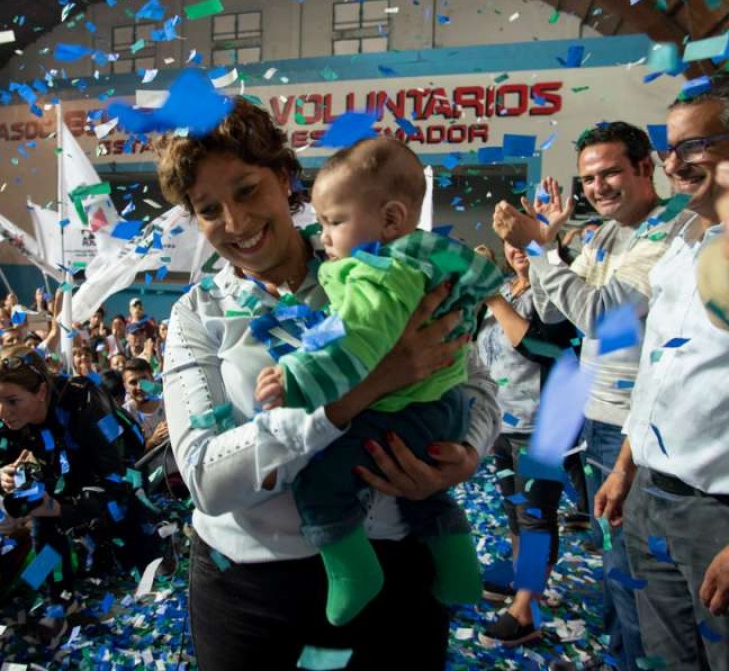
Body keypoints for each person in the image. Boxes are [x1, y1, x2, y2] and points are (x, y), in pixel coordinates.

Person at [154, 98, 500, 670]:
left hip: (398, 571)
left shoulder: (375, 262)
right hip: (252, 593)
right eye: (209, 208)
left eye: (246, 191)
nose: (235, 223)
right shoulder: (199, 314)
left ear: (285, 177)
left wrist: (466, 454)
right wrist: (354, 397)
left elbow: (475, 383)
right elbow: (207, 481)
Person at [254, 137, 501, 625]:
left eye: (334, 222)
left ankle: (354, 574)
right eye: (322, 222)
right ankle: (458, 570)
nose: (324, 236)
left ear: (390, 219)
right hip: (442, 409)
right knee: (428, 496)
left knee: (322, 486)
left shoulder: (379, 274)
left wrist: (298, 378)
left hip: (406, 409)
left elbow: (357, 342)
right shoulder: (427, 259)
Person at [492, 120, 688, 671]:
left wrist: (537, 246)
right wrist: (543, 250)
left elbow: (599, 318)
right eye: (589, 179)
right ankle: (622, 655)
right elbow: (558, 308)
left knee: (641, 576)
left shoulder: (670, 232)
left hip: (634, 427)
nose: (598, 187)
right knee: (615, 566)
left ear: (646, 168)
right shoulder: (603, 235)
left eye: (610, 173)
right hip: (594, 418)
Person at [595, 78, 729, 670]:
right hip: (651, 489)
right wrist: (627, 466)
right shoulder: (681, 237)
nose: (675, 163)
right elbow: (658, 364)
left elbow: (595, 316)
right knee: (665, 658)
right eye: (670, 146)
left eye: (693, 146)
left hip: (716, 511)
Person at [474, 240, 579, 647]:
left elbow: (542, 347)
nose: (518, 249)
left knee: (536, 518)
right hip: (503, 421)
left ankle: (525, 611)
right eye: (512, 242)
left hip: (542, 424)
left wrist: (495, 301)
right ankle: (524, 584)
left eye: (527, 241)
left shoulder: (551, 292)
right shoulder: (503, 288)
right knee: (515, 512)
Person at [0, 346, 154, 588]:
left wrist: (61, 509)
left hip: (119, 471)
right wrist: (2, 475)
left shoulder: (85, 402)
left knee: (137, 556)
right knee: (41, 524)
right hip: (61, 472)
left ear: (41, 391)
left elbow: (116, 480)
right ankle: (56, 600)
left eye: (12, 401)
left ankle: (144, 575)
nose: (2, 411)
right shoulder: (4, 413)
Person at [122, 356, 168, 451]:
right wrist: (153, 441)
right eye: (133, 382)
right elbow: (130, 455)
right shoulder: (124, 415)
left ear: (152, 379)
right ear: (125, 386)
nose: (139, 387)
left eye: (144, 380)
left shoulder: (168, 401)